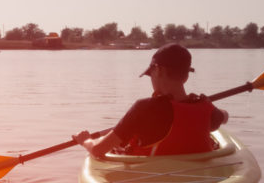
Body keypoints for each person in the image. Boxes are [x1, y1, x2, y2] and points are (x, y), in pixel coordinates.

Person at [74, 43, 228, 158]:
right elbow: (224, 116)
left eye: (150, 74)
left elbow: (98, 150)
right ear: (186, 76)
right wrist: (218, 111)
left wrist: (86, 141)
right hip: (200, 182)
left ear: (158, 70)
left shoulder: (144, 108)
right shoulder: (207, 108)